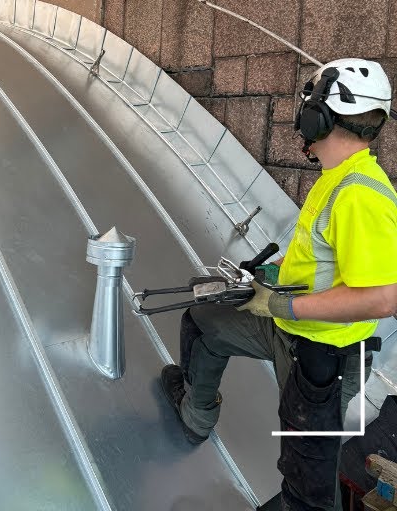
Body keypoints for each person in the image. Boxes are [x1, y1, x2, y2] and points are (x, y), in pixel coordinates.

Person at [160, 58, 397, 510]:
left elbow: (383, 297)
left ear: (321, 117)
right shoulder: (338, 178)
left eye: (309, 107)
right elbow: (321, 254)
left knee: (306, 476)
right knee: (204, 320)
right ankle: (196, 415)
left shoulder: (361, 195)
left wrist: (282, 307)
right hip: (289, 328)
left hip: (324, 359)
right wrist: (271, 276)